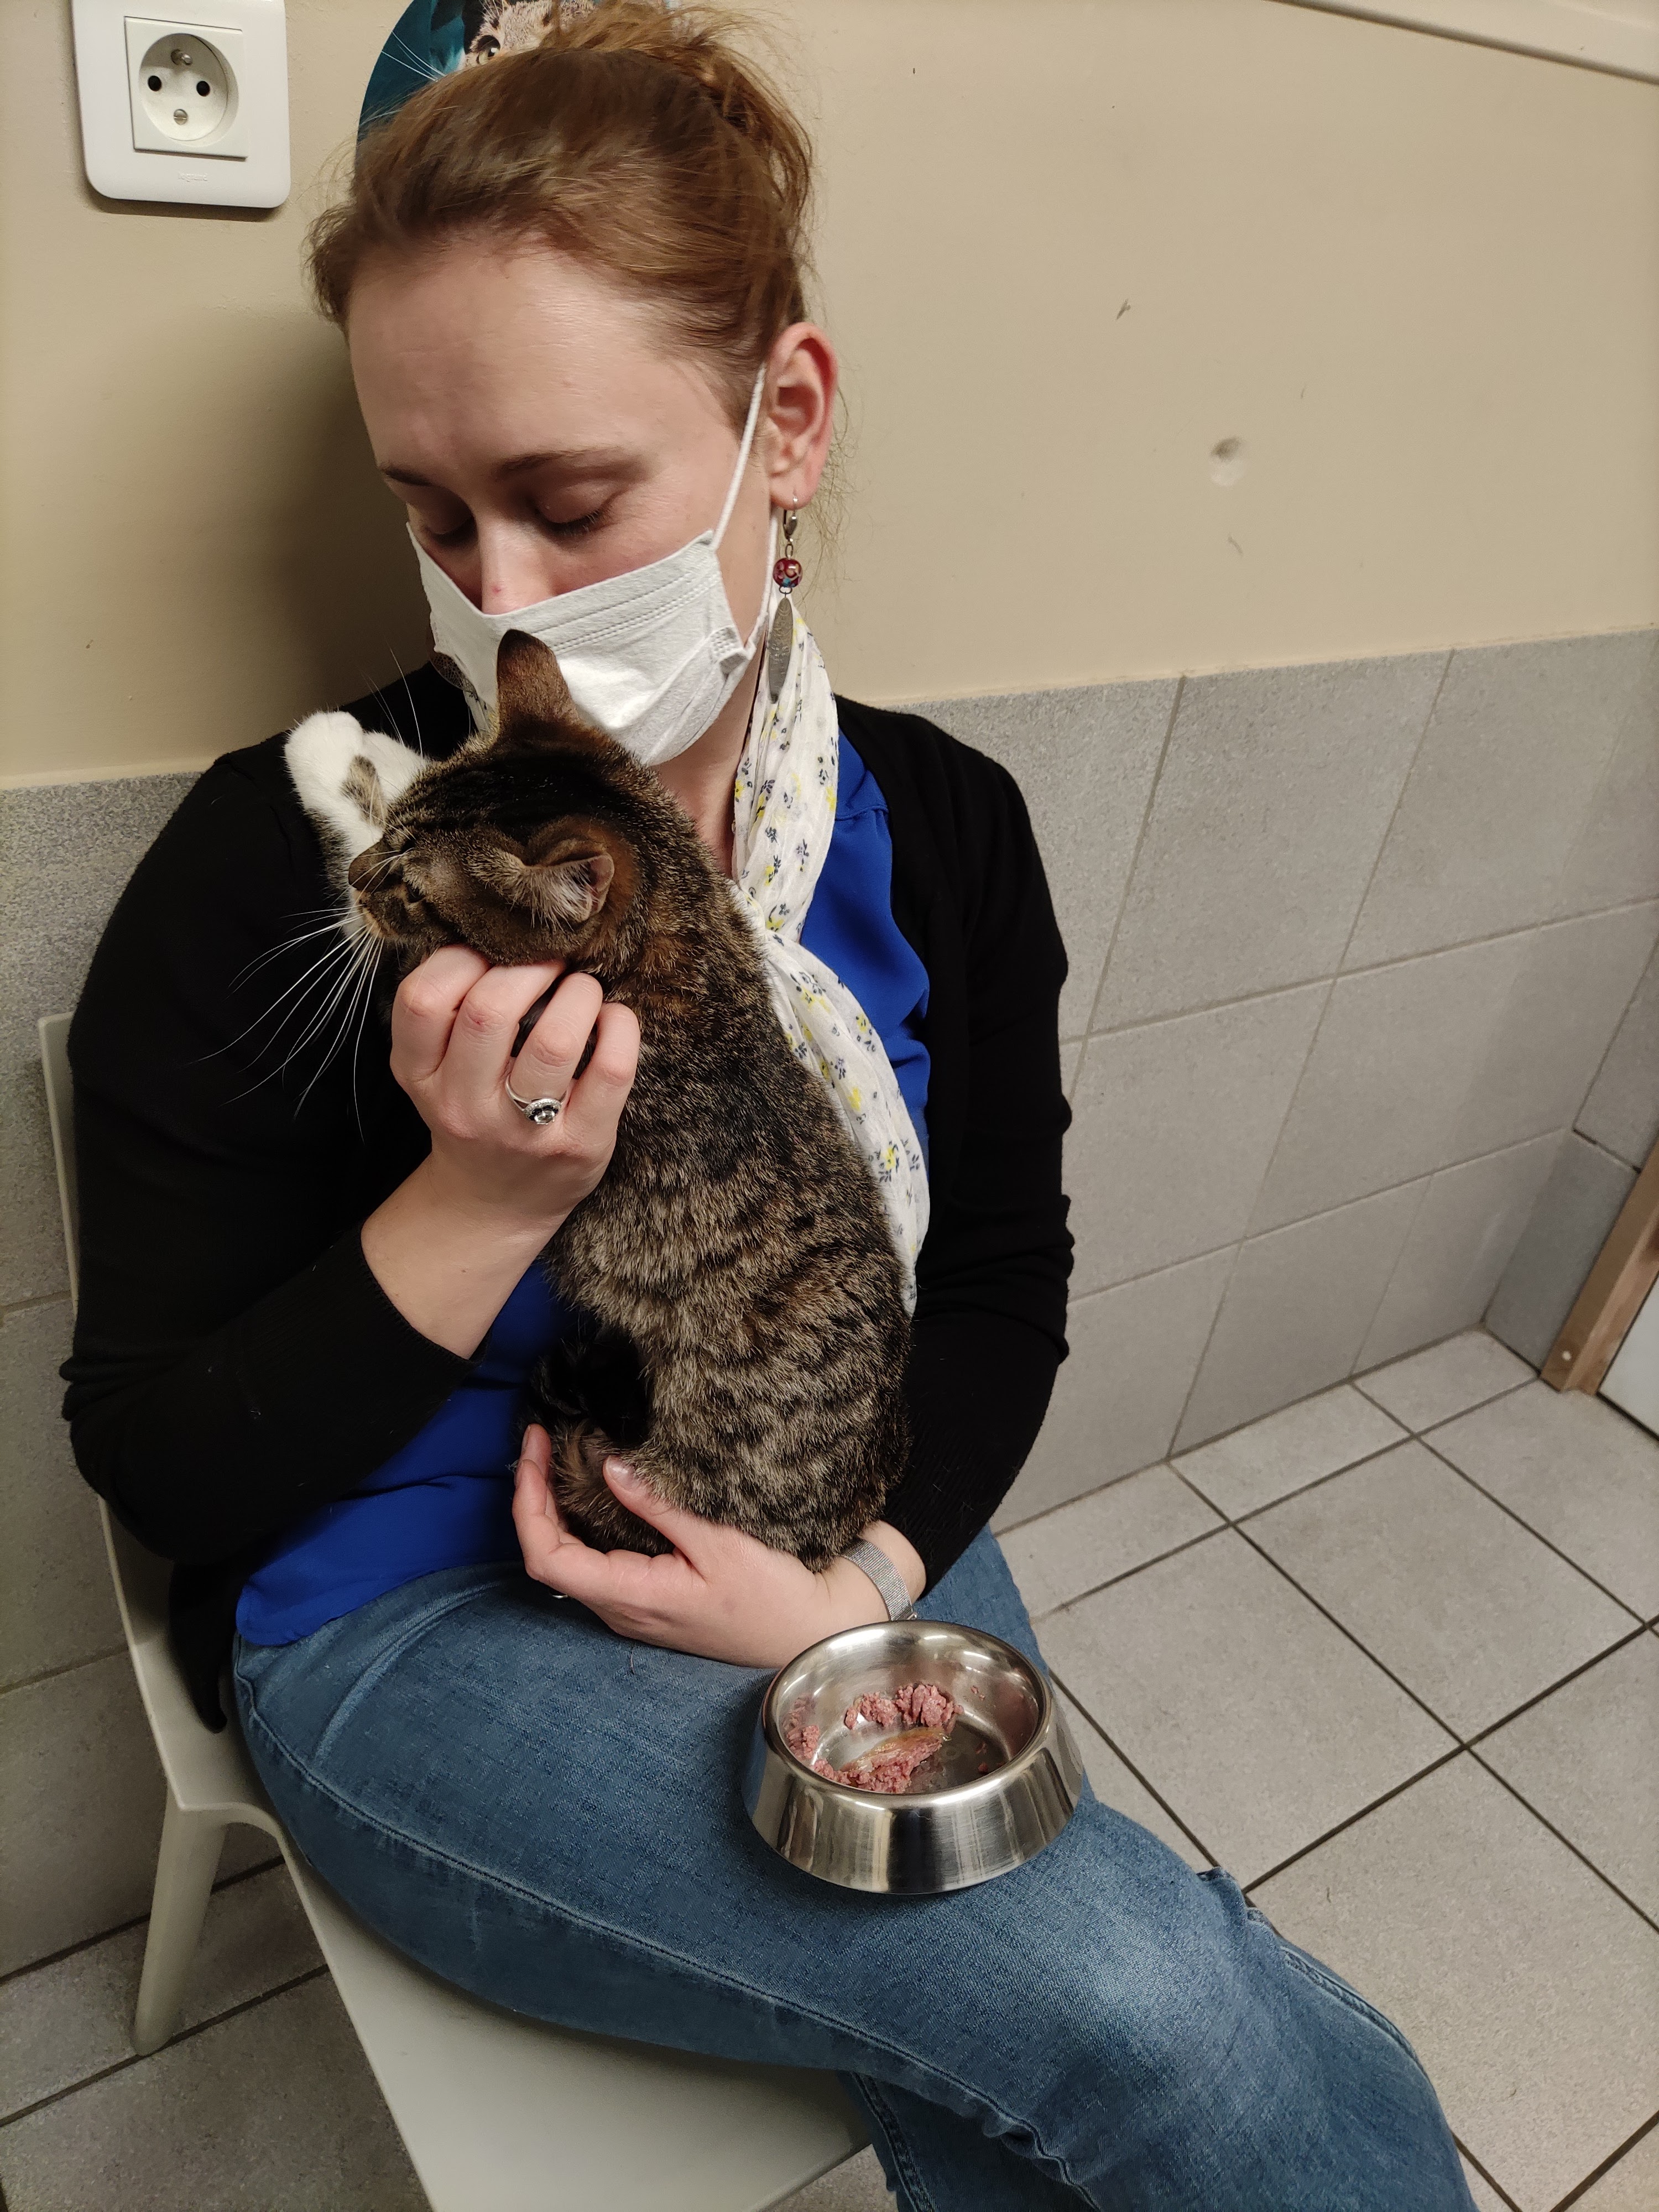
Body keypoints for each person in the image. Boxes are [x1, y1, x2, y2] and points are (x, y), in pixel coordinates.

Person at [62, 8, 1475, 2204]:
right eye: (432, 516)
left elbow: (998, 1284)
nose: (495, 596)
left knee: (1037, 2040)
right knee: (1141, 2012)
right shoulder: (299, 861)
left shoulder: (947, 834)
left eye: (570, 504)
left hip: (825, 1488)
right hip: (412, 1616)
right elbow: (156, 1457)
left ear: (782, 424)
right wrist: (478, 1195)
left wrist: (852, 1589)